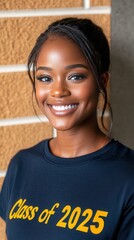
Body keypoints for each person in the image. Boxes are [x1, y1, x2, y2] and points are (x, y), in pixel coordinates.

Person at [0, 17, 134, 240]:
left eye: (75, 76)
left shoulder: (128, 177)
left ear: (102, 81)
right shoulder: (21, 165)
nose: (57, 91)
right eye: (45, 78)